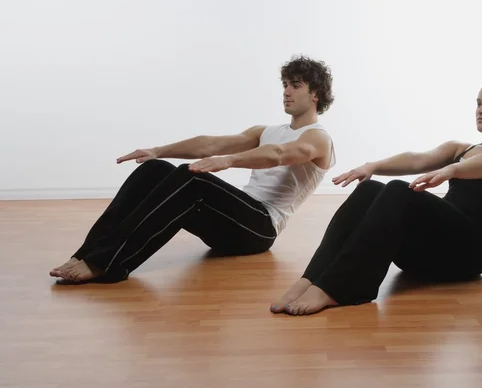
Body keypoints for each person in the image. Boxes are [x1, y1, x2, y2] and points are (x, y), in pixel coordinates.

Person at [50, 55, 336, 283]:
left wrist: (229, 160)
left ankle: (108, 265)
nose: (286, 92)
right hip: (231, 222)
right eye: (285, 84)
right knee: (156, 170)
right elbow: (209, 144)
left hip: (259, 229)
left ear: (316, 95)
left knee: (193, 179)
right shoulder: (267, 130)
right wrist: (158, 151)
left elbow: (280, 155)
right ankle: (87, 254)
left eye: (295, 86)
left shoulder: (318, 138)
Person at [271, 76, 482, 316]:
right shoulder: (463, 147)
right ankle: (311, 278)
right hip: (427, 253)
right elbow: (417, 160)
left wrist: (452, 169)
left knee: (400, 191)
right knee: (371, 188)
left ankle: (339, 288)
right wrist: (372, 167)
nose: (481, 110)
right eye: (478, 103)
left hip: (466, 256)